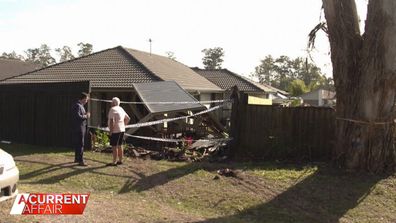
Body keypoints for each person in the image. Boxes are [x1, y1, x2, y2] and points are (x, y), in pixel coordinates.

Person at [107, 97, 130, 166]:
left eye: (111, 102)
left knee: (114, 146)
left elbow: (111, 121)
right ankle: (120, 160)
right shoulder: (121, 109)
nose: (111, 103)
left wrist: (111, 131)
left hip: (115, 130)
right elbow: (128, 118)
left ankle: (114, 162)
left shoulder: (112, 109)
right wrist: (123, 125)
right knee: (120, 145)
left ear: (113, 103)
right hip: (122, 130)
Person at [72, 92, 90, 166]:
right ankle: (81, 160)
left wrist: (85, 115)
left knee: (78, 144)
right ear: (83, 98)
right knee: (81, 144)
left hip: (79, 127)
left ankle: (77, 158)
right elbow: (78, 116)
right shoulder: (78, 106)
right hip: (79, 128)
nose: (86, 101)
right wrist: (86, 116)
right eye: (86, 99)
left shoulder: (80, 105)